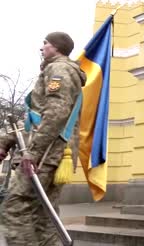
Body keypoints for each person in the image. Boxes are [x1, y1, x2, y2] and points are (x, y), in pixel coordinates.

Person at [0, 32, 86, 246]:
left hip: (46, 153)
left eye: (45, 43)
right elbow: (36, 120)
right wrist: (7, 139)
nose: (42, 48)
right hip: (51, 151)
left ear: (56, 47)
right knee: (43, 217)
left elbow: (56, 113)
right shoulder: (59, 70)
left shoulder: (59, 69)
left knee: (16, 207)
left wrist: (33, 153)